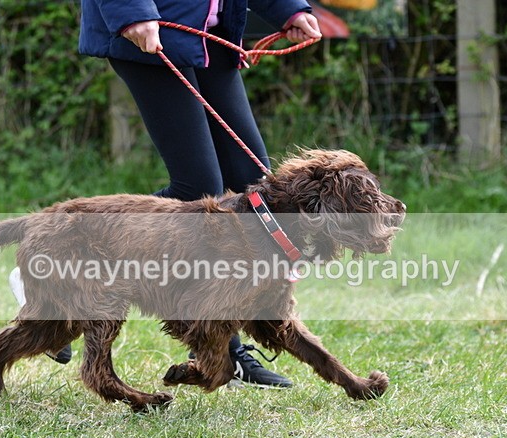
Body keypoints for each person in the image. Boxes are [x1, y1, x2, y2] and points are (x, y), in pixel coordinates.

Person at [66, 0, 322, 387]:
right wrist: (131, 11)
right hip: (151, 29)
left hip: (211, 38)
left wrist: (287, 9)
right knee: (198, 190)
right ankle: (63, 254)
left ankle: (222, 351)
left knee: (251, 185)